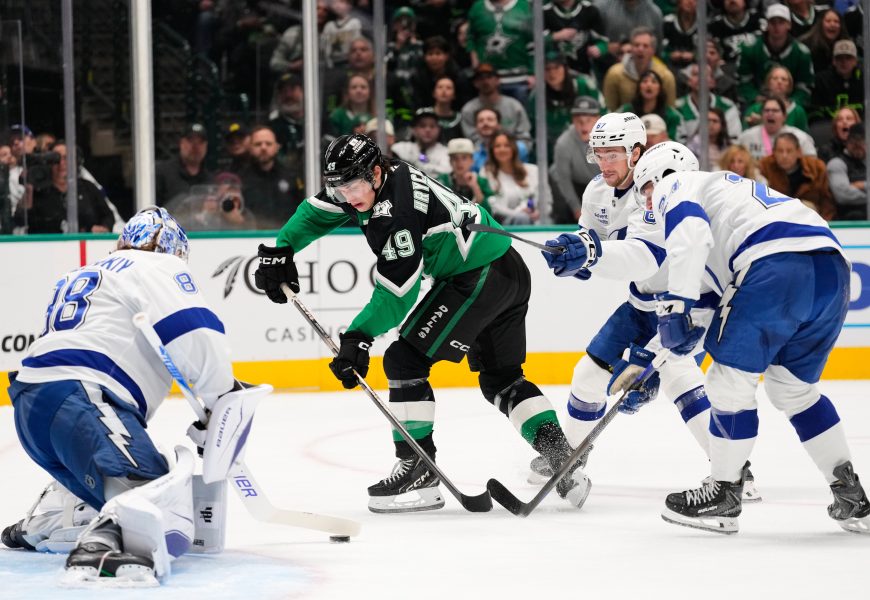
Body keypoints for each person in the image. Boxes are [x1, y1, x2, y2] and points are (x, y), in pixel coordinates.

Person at [253, 133, 590, 513]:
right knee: (502, 380)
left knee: (403, 361)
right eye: (339, 187)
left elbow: (398, 293)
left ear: (375, 173)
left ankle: (417, 467)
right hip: (507, 269)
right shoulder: (374, 179)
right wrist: (282, 248)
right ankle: (563, 458)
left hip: (477, 278)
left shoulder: (395, 215)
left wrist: (359, 337)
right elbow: (317, 210)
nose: (347, 196)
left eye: (353, 186)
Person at [2, 207, 267, 582]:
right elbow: (197, 334)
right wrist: (221, 399)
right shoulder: (158, 265)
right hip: (82, 396)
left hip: (31, 405)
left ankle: (52, 519)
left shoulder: (86, 273)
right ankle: (101, 543)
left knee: (117, 471)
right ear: (173, 249)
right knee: (157, 493)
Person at [632, 141, 869, 535]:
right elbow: (712, 305)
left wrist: (676, 307)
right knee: (793, 390)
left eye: (645, 190)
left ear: (660, 175)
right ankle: (850, 492)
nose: (647, 202)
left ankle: (723, 493)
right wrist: (655, 358)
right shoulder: (728, 200)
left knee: (727, 382)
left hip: (774, 264)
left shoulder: (680, 185)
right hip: (832, 270)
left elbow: (690, 239)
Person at [534, 115, 758, 502]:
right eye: (598, 154)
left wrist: (591, 254)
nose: (604, 163)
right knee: (587, 374)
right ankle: (570, 459)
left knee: (678, 375)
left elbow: (645, 257)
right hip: (640, 305)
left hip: (683, 305)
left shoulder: (657, 190)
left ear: (636, 152)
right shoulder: (595, 192)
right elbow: (593, 238)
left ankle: (734, 471)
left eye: (613, 154)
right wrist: (575, 255)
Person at [15, 141, 115, 234]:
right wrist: (29, 189)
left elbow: (108, 216)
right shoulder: (39, 191)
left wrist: (103, 227)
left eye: (66, 158)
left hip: (85, 244)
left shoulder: (88, 188)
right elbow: (20, 220)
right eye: (56, 159)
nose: (61, 163)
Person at [736, 4, 814, 107]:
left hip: (790, 104)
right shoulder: (750, 49)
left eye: (781, 22)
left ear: (789, 25)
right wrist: (755, 97)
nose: (776, 27)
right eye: (772, 22)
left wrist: (791, 102)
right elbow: (743, 82)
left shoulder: (802, 53)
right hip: (757, 102)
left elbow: (805, 87)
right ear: (767, 25)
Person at [549, 96, 602, 224]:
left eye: (588, 120)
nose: (583, 125)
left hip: (603, 184)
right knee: (555, 178)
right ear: (573, 120)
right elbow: (564, 180)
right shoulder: (563, 143)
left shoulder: (609, 139)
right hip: (576, 184)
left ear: (598, 119)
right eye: (579, 121)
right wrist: (576, 209)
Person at [759, 132, 836, 220]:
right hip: (775, 218)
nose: (784, 156)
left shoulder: (816, 168)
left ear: (799, 152)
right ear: (774, 152)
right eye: (780, 151)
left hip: (811, 219)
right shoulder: (765, 167)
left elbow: (826, 201)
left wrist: (823, 223)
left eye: (789, 151)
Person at [481, 132, 551, 225]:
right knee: (522, 218)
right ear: (492, 151)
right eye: (497, 146)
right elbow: (493, 206)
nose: (502, 149)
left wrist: (539, 213)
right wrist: (518, 213)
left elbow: (547, 201)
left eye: (507, 145)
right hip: (502, 223)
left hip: (536, 220)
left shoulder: (533, 170)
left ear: (514, 149)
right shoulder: (486, 173)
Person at [239, 126, 301, 229]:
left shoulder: (291, 176)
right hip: (253, 236)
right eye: (258, 144)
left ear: (277, 147)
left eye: (268, 144)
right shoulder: (241, 179)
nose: (263, 148)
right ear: (250, 148)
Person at [602, 27, 676, 111]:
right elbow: (609, 109)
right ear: (631, 48)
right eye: (636, 45)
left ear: (653, 50)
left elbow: (671, 111)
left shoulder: (665, 76)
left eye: (645, 46)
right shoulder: (614, 74)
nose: (640, 49)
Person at [460, 64, 533, 148]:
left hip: (514, 153)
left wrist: (510, 151)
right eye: (480, 78)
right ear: (475, 83)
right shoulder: (468, 110)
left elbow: (525, 138)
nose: (485, 81)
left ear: (498, 80)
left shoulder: (514, 106)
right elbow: (471, 140)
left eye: (489, 77)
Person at [674, 63, 742, 143]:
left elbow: (735, 138)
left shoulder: (727, 106)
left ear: (713, 82)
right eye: (696, 75)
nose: (700, 79)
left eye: (705, 75)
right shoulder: (678, 107)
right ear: (689, 81)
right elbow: (678, 141)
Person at [736, 96, 817, 160]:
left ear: (784, 116)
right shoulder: (746, 137)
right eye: (766, 110)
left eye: (775, 110)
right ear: (762, 115)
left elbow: (812, 162)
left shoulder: (800, 137)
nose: (770, 113)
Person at [155, 123, 213, 207]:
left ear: (206, 146)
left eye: (200, 142)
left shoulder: (210, 181)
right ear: (181, 143)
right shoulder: (163, 173)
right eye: (191, 141)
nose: (195, 146)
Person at [436, 137, 495, 215]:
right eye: (455, 158)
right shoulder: (442, 181)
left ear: (472, 161)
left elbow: (489, 213)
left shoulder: (482, 182)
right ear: (450, 161)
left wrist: (475, 187)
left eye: (464, 158)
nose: (459, 162)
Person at [620, 70, 683, 140]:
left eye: (654, 82)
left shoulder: (672, 116)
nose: (649, 85)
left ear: (660, 88)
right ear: (639, 87)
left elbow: (674, 141)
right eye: (644, 81)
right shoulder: (626, 112)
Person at [742, 66, 809, 131]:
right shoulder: (755, 109)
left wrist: (762, 122)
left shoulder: (798, 112)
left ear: (789, 85)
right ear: (768, 83)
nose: (779, 82)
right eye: (775, 78)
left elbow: (804, 136)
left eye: (784, 79)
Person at [391, 108, 451, 180]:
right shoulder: (400, 148)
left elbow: (447, 171)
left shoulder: (446, 152)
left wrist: (417, 166)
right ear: (413, 129)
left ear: (439, 129)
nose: (428, 130)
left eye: (432, 126)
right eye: (422, 126)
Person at [826, 123, 867, 220]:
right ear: (847, 142)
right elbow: (843, 195)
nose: (857, 145)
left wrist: (862, 185)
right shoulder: (836, 163)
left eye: (862, 141)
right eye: (853, 141)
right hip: (848, 217)